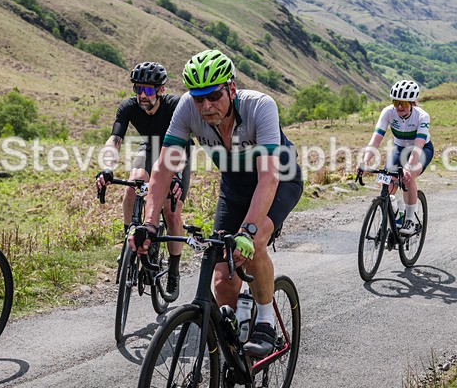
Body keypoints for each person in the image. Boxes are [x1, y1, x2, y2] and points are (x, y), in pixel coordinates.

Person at [131, 49, 303, 357]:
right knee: (223, 277)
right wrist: (148, 224)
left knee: (253, 244)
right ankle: (234, 346)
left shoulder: (260, 106)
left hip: (279, 180)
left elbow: (268, 178)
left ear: (231, 89)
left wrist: (248, 231)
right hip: (234, 185)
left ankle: (265, 321)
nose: (206, 106)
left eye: (214, 96)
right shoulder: (187, 108)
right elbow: (163, 169)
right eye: (199, 99)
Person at [95, 62, 189, 302]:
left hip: (175, 152)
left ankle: (174, 271)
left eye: (147, 90)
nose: (142, 95)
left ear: (160, 90)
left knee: (171, 212)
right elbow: (115, 139)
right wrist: (107, 167)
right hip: (149, 147)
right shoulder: (129, 106)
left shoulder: (174, 105)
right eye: (138, 89)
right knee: (133, 184)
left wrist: (176, 176)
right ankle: (129, 240)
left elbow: (183, 143)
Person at [359, 80, 434, 235]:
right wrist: (365, 160)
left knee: (408, 176)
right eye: (396, 102)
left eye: (404, 103)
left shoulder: (422, 116)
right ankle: (396, 212)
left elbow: (418, 146)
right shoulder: (388, 112)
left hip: (421, 149)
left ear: (412, 103)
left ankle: (409, 220)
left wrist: (409, 167)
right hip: (399, 149)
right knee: (386, 180)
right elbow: (376, 138)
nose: (399, 107)